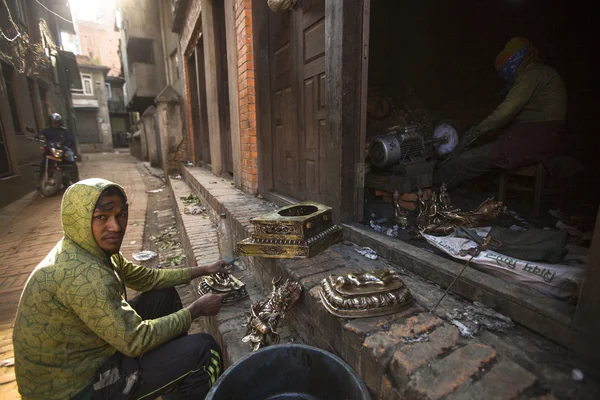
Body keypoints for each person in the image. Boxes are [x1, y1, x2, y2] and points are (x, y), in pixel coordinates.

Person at [13, 178, 228, 400]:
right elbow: (135, 340)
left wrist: (204, 269)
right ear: (78, 219)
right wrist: (196, 310)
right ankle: (176, 371)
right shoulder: (85, 275)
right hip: (75, 389)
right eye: (101, 217)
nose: (115, 227)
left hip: (91, 353)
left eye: (121, 214)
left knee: (163, 296)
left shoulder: (90, 248)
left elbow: (147, 278)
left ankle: (173, 380)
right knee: (204, 349)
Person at [433, 37, 567, 189]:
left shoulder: (531, 75)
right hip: (540, 139)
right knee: (480, 149)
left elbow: (504, 113)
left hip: (531, 142)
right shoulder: (543, 73)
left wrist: (472, 134)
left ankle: (433, 190)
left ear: (516, 59)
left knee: (463, 161)